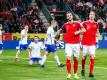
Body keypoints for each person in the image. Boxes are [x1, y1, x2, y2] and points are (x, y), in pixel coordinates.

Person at [56, 12, 85, 80]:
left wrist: (78, 32)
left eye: (70, 15)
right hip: (68, 44)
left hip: (76, 44)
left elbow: (84, 30)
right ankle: (69, 74)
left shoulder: (77, 23)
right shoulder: (65, 24)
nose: (69, 16)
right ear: (67, 17)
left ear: (72, 16)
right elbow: (60, 30)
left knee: (76, 59)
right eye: (68, 16)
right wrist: (57, 32)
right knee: (68, 58)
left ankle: (75, 74)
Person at [81, 11, 99, 80]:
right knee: (84, 57)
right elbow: (81, 30)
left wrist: (97, 34)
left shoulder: (96, 24)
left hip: (92, 43)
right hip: (85, 43)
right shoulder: (84, 23)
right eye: (90, 14)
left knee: (92, 57)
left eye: (93, 15)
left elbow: (97, 32)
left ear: (94, 16)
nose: (91, 16)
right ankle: (83, 69)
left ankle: (90, 73)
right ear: (89, 16)